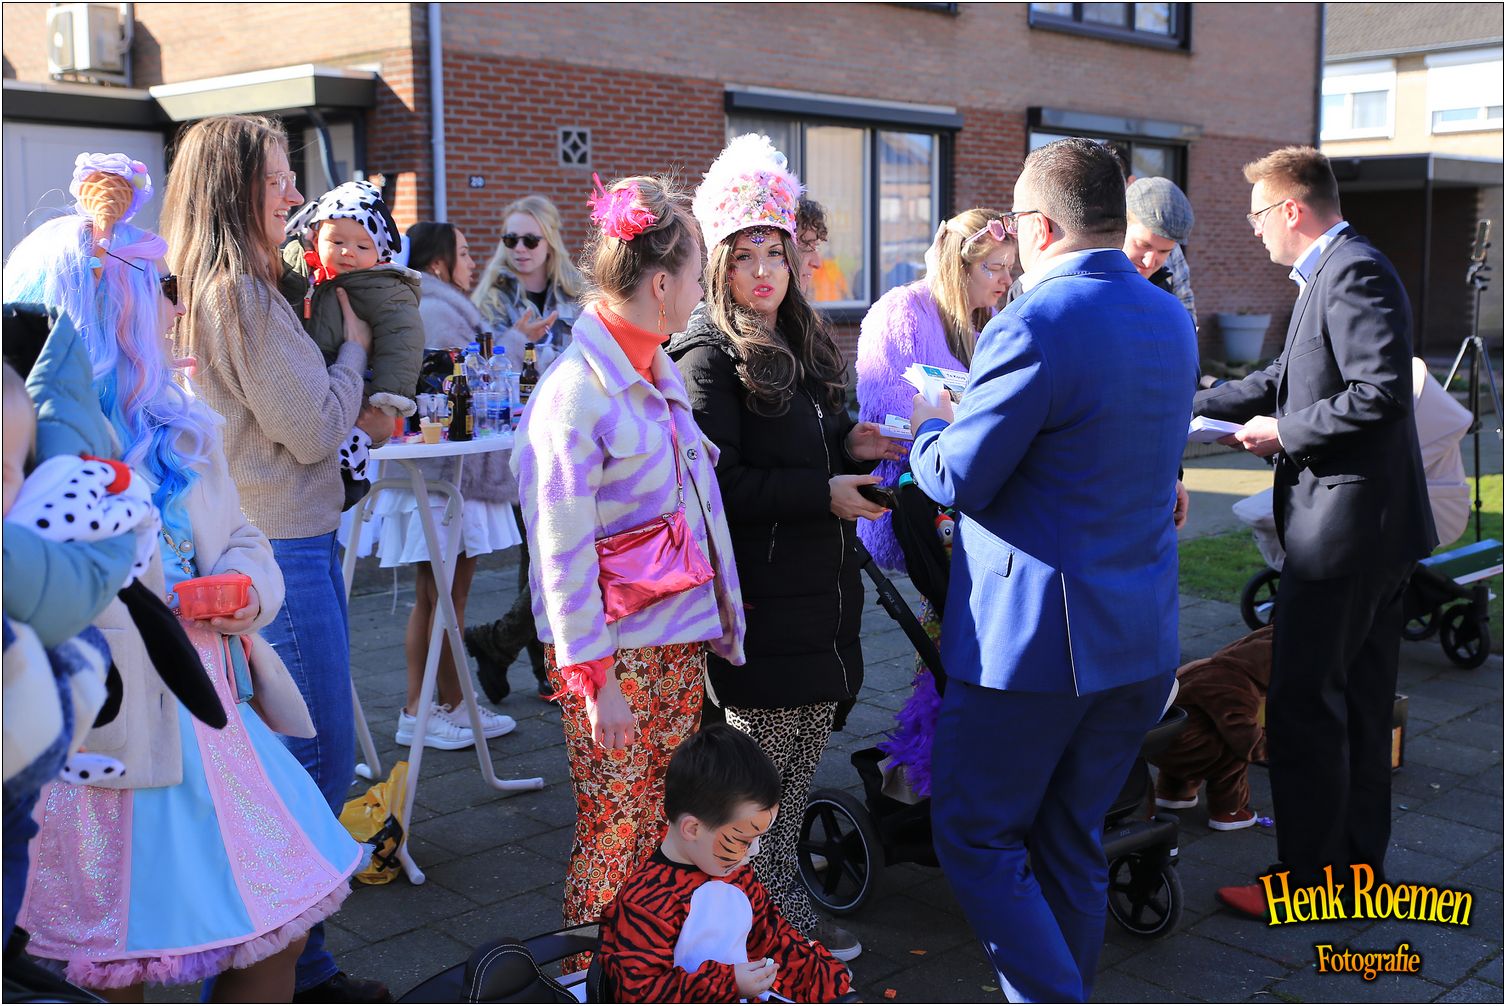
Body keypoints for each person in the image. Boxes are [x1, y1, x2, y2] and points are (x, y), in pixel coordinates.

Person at [6, 153, 363, 1000]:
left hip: (212, 719)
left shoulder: (183, 425)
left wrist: (242, 586)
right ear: (108, 309)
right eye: (161, 289)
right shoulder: (21, 451)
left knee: (276, 928)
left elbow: (241, 536)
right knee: (103, 965)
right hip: (97, 746)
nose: (177, 306)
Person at [907, 137, 1196, 1002]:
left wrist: (930, 427)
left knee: (975, 835)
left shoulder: (1034, 321)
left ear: (1038, 227)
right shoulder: (1169, 316)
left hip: (1036, 649)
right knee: (1070, 838)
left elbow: (961, 477)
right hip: (1138, 638)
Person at [160, 114, 391, 1003]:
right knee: (312, 764)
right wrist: (357, 355)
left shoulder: (223, 289)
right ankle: (270, 972)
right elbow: (314, 429)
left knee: (292, 764)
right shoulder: (240, 298)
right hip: (280, 548)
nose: (296, 195)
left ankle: (302, 966)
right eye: (278, 178)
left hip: (270, 543)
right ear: (235, 191)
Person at [669, 134, 904, 962]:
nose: (764, 271)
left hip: (819, 601)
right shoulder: (707, 357)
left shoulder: (800, 339)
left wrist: (851, 442)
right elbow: (719, 487)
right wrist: (822, 493)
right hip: (763, 610)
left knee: (792, 781)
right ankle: (758, 932)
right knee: (754, 793)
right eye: (744, 257)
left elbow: (806, 443)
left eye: (775, 252)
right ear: (718, 263)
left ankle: (771, 920)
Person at [1193, 146, 1435, 918]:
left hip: (1344, 534)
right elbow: (1283, 378)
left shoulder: (1352, 270)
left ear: (1291, 209)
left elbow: (1380, 392)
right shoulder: (1329, 271)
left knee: (1303, 705)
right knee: (1358, 705)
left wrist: (1284, 433)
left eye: (1257, 215)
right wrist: (1193, 405)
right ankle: (1355, 874)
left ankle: (1305, 883)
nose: (1254, 229)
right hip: (1368, 532)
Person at [511, 174, 744, 966]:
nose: (704, 288)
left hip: (668, 644)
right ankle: (593, 976)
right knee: (615, 828)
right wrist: (595, 678)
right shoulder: (576, 394)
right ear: (661, 284)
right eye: (699, 272)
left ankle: (645, 967)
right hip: (615, 657)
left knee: (660, 823)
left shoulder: (650, 373)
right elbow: (559, 552)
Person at [854, 208, 1014, 797]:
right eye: (994, 268)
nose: (1006, 280)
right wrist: (947, 423)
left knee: (959, 631)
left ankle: (948, 760)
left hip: (977, 501)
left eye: (1010, 268)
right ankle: (929, 764)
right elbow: (884, 411)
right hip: (925, 503)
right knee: (951, 626)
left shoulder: (992, 320)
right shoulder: (901, 312)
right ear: (958, 266)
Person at [359, 221, 521, 751]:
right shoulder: (437, 310)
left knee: (441, 597)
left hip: (443, 475)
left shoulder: (431, 304)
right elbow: (464, 389)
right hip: (444, 477)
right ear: (437, 262)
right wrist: (514, 344)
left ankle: (448, 704)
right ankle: (422, 708)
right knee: (444, 597)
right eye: (465, 253)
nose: (473, 262)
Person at [599, 724, 852, 1003]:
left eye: (758, 838)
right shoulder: (646, 902)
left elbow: (773, 938)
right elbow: (639, 993)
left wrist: (832, 984)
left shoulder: (736, 874)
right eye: (744, 840)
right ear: (693, 829)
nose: (755, 851)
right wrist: (728, 984)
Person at [466, 195, 585, 700]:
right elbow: (477, 371)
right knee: (541, 551)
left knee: (547, 551)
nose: (519, 248)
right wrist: (515, 342)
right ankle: (539, 666)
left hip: (571, 430)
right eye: (510, 238)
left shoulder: (576, 295)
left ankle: (503, 645)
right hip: (518, 436)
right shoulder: (491, 299)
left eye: (529, 239)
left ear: (550, 241)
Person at [280, 180, 424, 507]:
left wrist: (392, 392)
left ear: (380, 252)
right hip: (306, 380)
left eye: (362, 246)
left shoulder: (382, 287)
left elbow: (402, 336)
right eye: (337, 241)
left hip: (356, 384)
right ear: (315, 236)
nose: (348, 252)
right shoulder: (297, 269)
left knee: (354, 426)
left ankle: (349, 472)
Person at [1151, 626, 1273, 831]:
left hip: (1160, 741)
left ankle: (1174, 792)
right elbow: (1244, 736)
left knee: (1199, 729)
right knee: (1234, 751)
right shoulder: (1236, 685)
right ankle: (1228, 811)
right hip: (1181, 750)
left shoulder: (1213, 666)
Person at [1124, 176, 1197, 332]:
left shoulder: (1174, 254)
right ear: (1121, 226)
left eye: (1164, 252)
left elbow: (1186, 312)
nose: (1149, 262)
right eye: (1143, 245)